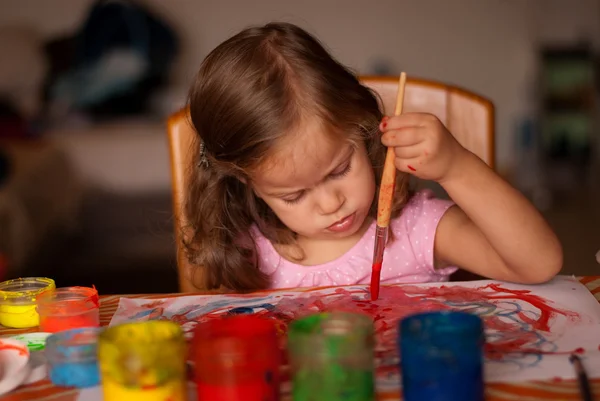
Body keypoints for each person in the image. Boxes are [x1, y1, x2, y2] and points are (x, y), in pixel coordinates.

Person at [182, 22, 562, 292]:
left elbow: (538, 263)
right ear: (248, 182)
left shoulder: (414, 231)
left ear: (363, 130)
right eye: (294, 195)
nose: (332, 203)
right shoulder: (245, 253)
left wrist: (457, 167)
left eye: (340, 169)